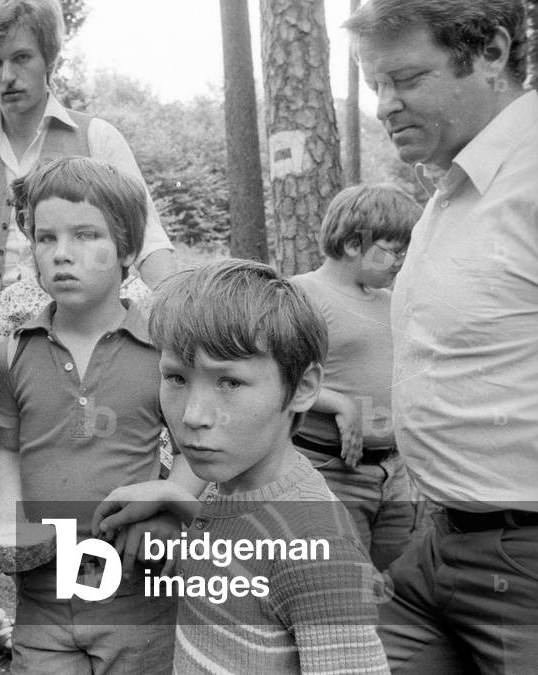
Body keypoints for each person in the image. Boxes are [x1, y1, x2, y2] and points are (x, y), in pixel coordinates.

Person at [345, 1, 538, 672]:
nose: (381, 106)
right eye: (373, 85)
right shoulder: (448, 195)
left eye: (405, 79)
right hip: (434, 543)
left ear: (488, 49)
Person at [93, 259, 389, 674]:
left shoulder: (319, 549)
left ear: (302, 388)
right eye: (176, 378)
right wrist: (180, 502)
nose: (193, 415)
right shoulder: (229, 486)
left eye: (229, 382)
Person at [0, 157, 198, 674]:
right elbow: (7, 448)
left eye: (84, 236)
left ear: (126, 249)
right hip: (42, 596)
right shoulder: (13, 351)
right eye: (46, 238)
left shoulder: (165, 351)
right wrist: (11, 525)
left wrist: (170, 506)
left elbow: (195, 453)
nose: (61, 255)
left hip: (134, 590)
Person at [0, 0, 176, 334]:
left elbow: (149, 243)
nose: (8, 76)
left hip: (90, 340)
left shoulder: (98, 138)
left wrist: (178, 320)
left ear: (47, 58)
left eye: (22, 57)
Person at [289, 183, 421, 572]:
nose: (400, 262)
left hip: (393, 472)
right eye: (393, 251)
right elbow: (279, 378)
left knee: (394, 580)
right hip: (332, 470)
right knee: (340, 579)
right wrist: (339, 403)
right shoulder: (304, 294)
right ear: (352, 244)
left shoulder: (391, 303)